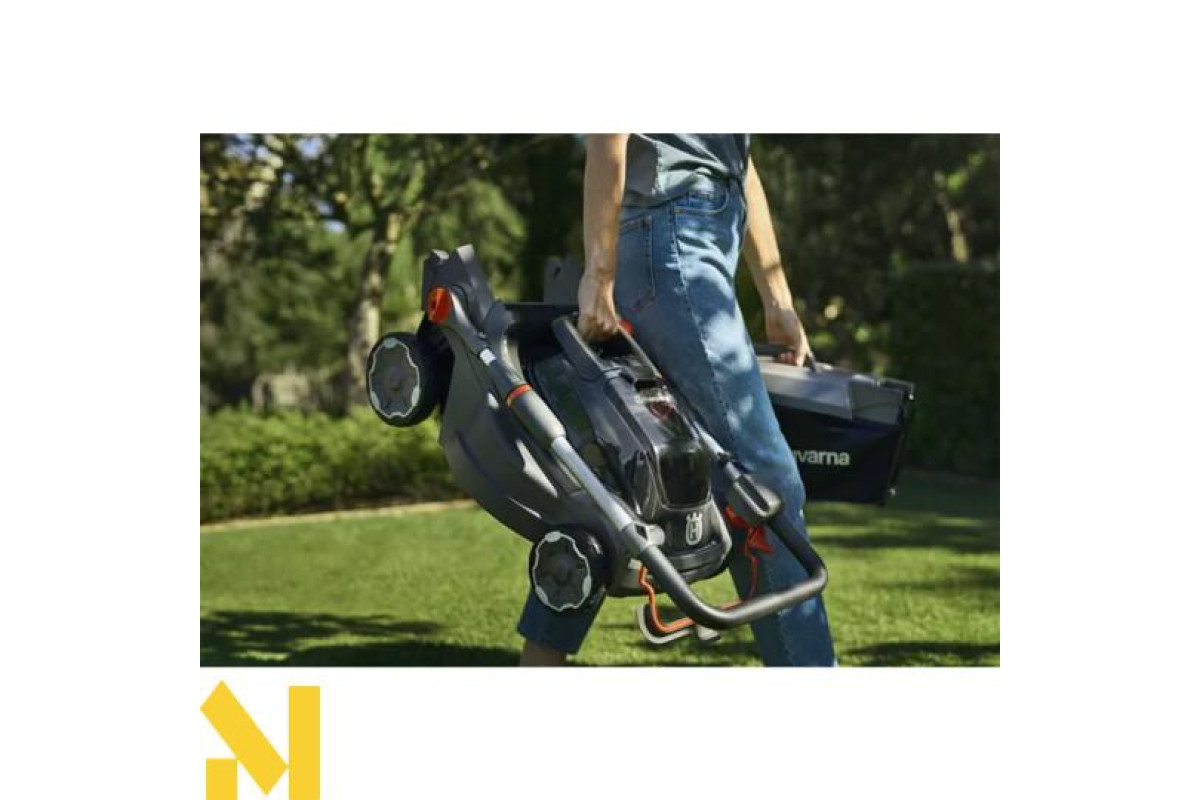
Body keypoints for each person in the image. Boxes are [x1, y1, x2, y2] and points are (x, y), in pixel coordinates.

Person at [517, 134, 837, 666]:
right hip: (670, 236)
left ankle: (540, 661)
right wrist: (599, 273)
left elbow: (743, 163)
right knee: (765, 484)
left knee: (624, 473)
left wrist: (777, 299)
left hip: (698, 239)